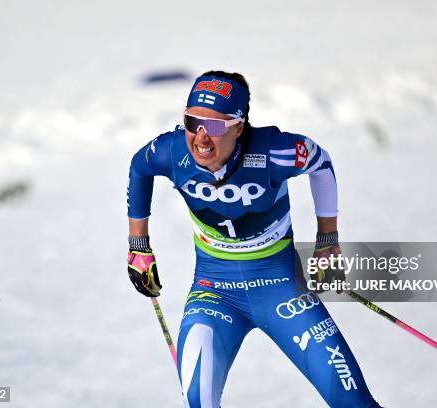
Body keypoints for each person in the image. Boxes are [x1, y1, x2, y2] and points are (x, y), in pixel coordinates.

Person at [126, 71, 381, 407]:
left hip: (283, 292)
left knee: (354, 404)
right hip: (214, 291)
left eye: (216, 126)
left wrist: (327, 239)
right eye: (192, 122)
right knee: (198, 400)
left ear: (239, 127)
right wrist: (138, 245)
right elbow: (139, 168)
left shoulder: (276, 151)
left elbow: (321, 163)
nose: (201, 137)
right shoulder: (171, 152)